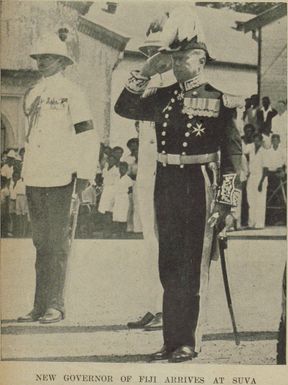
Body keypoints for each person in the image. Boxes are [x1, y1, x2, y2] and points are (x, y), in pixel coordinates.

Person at [115, 6, 242, 362]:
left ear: (200, 59)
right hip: (166, 182)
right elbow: (124, 108)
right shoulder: (162, 96)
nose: (175, 62)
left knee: (192, 265)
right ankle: (170, 341)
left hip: (200, 184)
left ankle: (189, 341)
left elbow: (234, 159)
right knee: (169, 264)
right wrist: (145, 70)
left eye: (182, 56)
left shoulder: (220, 100)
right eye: (174, 56)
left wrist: (226, 203)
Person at [17, 29, 97, 324]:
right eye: (39, 57)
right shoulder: (32, 92)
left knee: (57, 242)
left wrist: (86, 175)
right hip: (36, 175)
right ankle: (39, 305)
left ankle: (56, 304)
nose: (41, 62)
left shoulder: (72, 93)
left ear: (63, 61)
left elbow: (87, 135)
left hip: (61, 175)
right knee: (40, 243)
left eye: (48, 57)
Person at [245, 133, 268, 229]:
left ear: (261, 141)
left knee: (260, 201)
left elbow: (266, 169)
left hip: (261, 177)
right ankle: (251, 223)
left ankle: (260, 223)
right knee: (251, 200)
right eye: (255, 140)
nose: (256, 142)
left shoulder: (264, 152)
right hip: (251, 177)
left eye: (258, 140)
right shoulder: (251, 150)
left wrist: (261, 182)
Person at [112, 161, 133, 236]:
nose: (122, 169)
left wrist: (128, 198)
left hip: (124, 197)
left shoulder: (128, 179)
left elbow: (130, 190)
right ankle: (117, 231)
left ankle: (123, 231)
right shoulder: (116, 178)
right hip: (117, 197)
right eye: (121, 168)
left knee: (123, 214)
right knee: (116, 214)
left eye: (124, 168)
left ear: (127, 169)